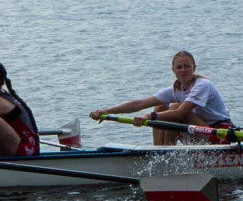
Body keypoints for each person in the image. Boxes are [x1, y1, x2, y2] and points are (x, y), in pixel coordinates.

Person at [88, 51, 234, 145]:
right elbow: (138, 104)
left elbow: (181, 113)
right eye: (179, 67)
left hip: (218, 134)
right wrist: (106, 111)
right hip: (199, 132)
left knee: (175, 108)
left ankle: (166, 154)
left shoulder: (203, 85)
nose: (183, 70)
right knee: (159, 107)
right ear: (173, 70)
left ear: (194, 68)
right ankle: (159, 150)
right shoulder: (175, 89)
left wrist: (148, 116)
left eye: (187, 66)